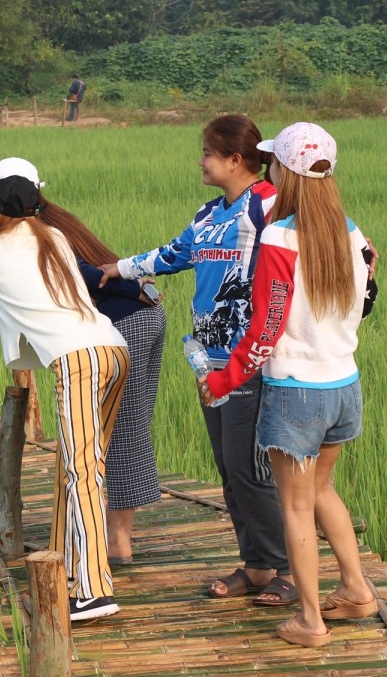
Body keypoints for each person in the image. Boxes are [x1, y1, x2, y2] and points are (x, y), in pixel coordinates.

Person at [98, 115, 295, 606]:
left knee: (249, 468)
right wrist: (117, 270)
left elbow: (317, 245)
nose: (201, 160)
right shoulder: (210, 214)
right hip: (208, 360)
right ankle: (256, 565)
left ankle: (286, 568)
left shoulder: (268, 206)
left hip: (248, 359)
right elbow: (173, 254)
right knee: (229, 468)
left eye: (208, 152)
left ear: (235, 160)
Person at [200, 122, 378, 648]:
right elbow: (368, 296)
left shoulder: (281, 236)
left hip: (297, 392)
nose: (267, 168)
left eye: (271, 161)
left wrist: (223, 380)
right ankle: (355, 590)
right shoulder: (350, 230)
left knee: (296, 506)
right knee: (322, 492)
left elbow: (265, 327)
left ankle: (310, 620)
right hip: (344, 384)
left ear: (285, 171)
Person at [0, 172, 130, 623]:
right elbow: (2, 256)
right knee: (79, 465)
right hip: (113, 352)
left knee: (82, 473)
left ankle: (95, 591)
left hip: (76, 362)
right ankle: (66, 564)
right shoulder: (52, 234)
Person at [0, 158, 165, 565]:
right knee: (127, 424)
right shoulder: (50, 221)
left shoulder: (37, 233)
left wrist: (133, 285)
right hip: (139, 318)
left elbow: (86, 274)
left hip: (127, 322)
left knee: (122, 429)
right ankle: (112, 532)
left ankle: (118, 542)